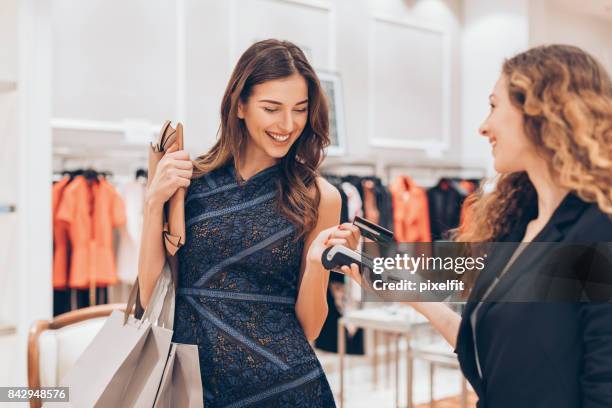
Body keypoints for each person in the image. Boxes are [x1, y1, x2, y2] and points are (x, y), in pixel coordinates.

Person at [345, 45, 612, 407]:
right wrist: (414, 294)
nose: (483, 126)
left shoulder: (597, 234)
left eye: (493, 105)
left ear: (540, 110)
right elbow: (491, 359)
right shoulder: (519, 228)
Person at [138, 39, 360, 407]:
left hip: (285, 388)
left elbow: (311, 327)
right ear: (240, 104)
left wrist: (316, 264)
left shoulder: (321, 196)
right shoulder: (187, 180)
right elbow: (152, 296)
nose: (287, 125)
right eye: (272, 108)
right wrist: (152, 205)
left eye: (300, 110)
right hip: (195, 386)